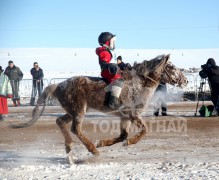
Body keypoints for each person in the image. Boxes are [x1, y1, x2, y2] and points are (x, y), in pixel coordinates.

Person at [96, 32, 124, 109]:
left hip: (113, 70)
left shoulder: (110, 52)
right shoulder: (104, 52)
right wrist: (110, 65)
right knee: (118, 81)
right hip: (108, 72)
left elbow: (115, 62)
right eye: (113, 42)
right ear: (108, 42)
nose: (114, 44)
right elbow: (103, 63)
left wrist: (122, 65)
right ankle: (113, 102)